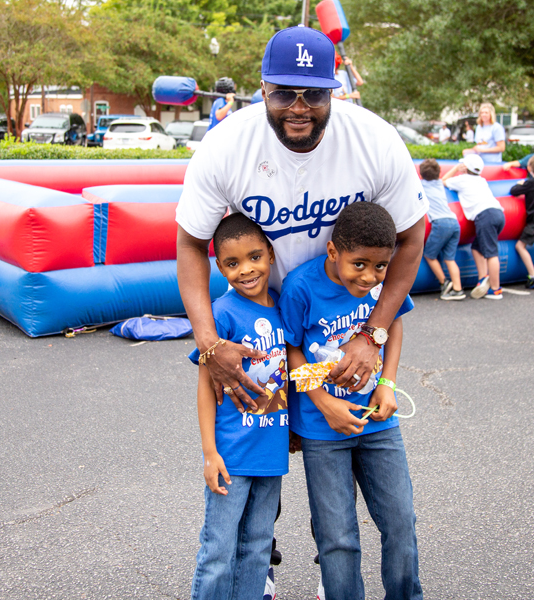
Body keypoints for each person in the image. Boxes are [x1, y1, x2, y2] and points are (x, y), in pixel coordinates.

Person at [176, 26, 427, 597]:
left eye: (314, 94)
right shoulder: (225, 146)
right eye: (283, 92)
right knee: (261, 441)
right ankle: (257, 568)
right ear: (261, 88)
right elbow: (189, 242)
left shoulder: (374, 141)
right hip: (269, 325)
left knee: (348, 490)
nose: (298, 108)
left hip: (344, 312)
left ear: (334, 90)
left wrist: (375, 335)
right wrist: (211, 344)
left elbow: (412, 236)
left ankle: (329, 577)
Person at [279, 201, 422, 600]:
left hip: (379, 424)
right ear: (333, 252)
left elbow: (393, 326)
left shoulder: (381, 285)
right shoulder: (300, 287)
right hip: (322, 430)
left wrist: (388, 384)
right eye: (359, 264)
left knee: (400, 522)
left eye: (380, 266)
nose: (370, 276)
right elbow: (290, 350)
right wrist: (324, 402)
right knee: (337, 536)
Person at [188, 213, 288, 600]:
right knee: (218, 550)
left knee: (258, 548)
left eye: (254, 258)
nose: (246, 270)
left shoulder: (282, 308)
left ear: (270, 255)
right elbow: (203, 387)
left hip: (272, 453)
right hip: (230, 455)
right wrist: (210, 453)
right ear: (219, 267)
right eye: (232, 263)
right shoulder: (221, 315)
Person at [442, 154, 505, 299]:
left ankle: (495, 289)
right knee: (476, 248)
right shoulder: (481, 180)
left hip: (485, 216)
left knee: (491, 253)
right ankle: (483, 279)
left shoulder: (462, 179)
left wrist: (456, 168)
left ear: (465, 167)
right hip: (498, 214)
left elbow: (443, 181)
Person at [419, 159, 465, 300]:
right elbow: (446, 177)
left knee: (429, 254)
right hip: (454, 222)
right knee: (449, 258)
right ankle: (458, 289)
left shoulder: (421, 185)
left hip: (441, 223)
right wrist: (456, 167)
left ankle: (444, 282)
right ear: (438, 172)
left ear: (421, 174)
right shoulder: (439, 183)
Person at [509, 155, 534, 288]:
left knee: (520, 246)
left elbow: (514, 191)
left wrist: (520, 183)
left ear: (529, 169)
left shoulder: (530, 183)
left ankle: (532, 275)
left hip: (532, 224)